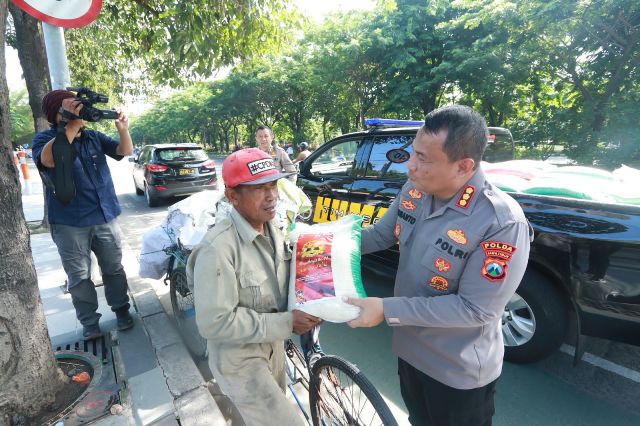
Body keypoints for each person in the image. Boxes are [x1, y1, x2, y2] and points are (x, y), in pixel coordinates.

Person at [347, 105, 532, 426]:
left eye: (423, 159)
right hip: (410, 352)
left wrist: (385, 308)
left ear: (463, 167)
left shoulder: (500, 221)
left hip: (457, 374)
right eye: (412, 153)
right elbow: (380, 235)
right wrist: (320, 244)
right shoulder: (416, 190)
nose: (411, 167)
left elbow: (476, 310)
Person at [187, 148, 321, 426]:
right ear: (233, 196)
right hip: (240, 361)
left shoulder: (275, 229)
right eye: (258, 188)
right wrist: (288, 323)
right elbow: (215, 323)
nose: (271, 195)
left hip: (273, 348)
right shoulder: (218, 248)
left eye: (273, 184)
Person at [31, 89, 134, 339]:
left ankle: (121, 310)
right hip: (70, 223)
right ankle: (89, 322)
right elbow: (49, 160)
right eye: (73, 107)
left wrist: (122, 128)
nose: (81, 113)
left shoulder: (93, 137)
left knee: (114, 268)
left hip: (104, 215)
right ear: (58, 114)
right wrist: (72, 124)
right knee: (78, 277)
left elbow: (125, 151)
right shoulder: (44, 139)